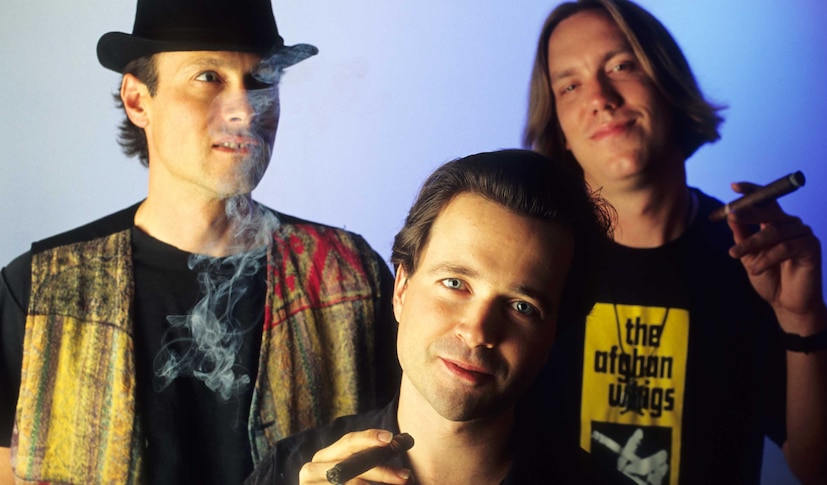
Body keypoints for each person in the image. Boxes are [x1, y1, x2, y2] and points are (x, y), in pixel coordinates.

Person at [0, 0, 399, 483]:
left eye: (262, 80)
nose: (244, 108)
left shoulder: (351, 278)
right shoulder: (41, 292)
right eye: (208, 77)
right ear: (137, 100)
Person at [523, 1, 827, 484]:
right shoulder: (533, 260)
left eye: (621, 65)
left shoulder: (756, 260)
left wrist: (802, 317)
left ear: (670, 85)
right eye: (570, 85)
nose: (600, 96)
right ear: (561, 131)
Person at [244, 149, 627, 484]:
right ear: (402, 289)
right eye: (455, 283)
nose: (478, 331)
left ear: (554, 336)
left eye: (522, 307)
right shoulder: (290, 471)